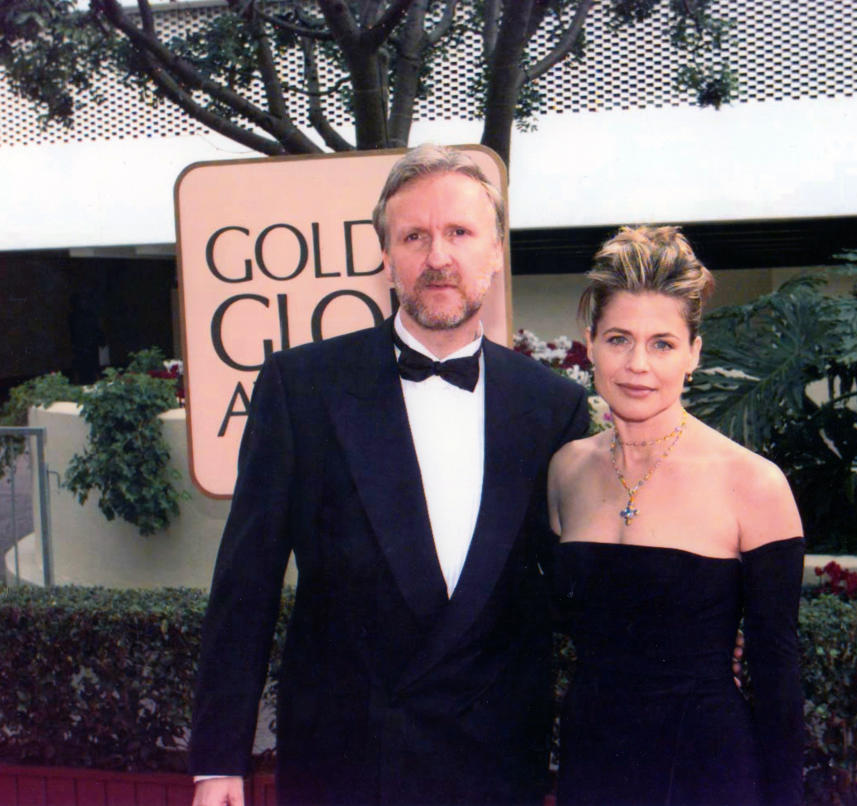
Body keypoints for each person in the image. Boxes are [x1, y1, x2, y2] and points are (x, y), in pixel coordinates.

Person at [189, 144, 589, 806]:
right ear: (385, 257)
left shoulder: (550, 405)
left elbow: (577, 591)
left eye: (460, 233)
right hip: (345, 764)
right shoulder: (303, 388)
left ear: (495, 252)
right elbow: (245, 585)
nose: (438, 257)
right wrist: (218, 762)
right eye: (415, 236)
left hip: (494, 766)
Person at [548, 226, 804, 806]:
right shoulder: (565, 471)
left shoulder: (753, 484)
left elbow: (777, 676)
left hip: (704, 770)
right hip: (593, 763)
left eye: (662, 343)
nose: (638, 364)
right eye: (619, 339)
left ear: (693, 352)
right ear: (589, 343)